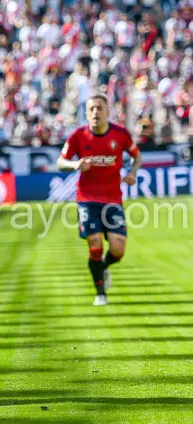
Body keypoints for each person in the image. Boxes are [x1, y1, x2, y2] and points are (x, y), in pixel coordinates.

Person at [57, 94, 142, 306]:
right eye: (91, 109)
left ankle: (103, 266)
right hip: (87, 199)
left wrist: (132, 173)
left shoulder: (120, 135)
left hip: (113, 199)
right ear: (86, 113)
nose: (95, 112)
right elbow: (61, 162)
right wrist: (75, 165)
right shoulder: (78, 136)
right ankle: (100, 293)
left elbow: (137, 156)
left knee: (117, 249)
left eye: (99, 108)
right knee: (94, 243)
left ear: (107, 111)